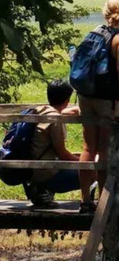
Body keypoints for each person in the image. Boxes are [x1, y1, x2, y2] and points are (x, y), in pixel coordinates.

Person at [78, 0, 119, 214]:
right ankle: (104, 199)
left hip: (85, 95)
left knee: (87, 147)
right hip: (106, 99)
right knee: (103, 149)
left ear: (105, 13)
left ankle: (84, 200)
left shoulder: (94, 32)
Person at [23, 80, 80, 209]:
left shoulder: (41, 110)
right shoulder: (55, 121)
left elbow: (61, 112)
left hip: (31, 169)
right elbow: (63, 155)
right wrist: (85, 161)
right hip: (45, 172)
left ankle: (42, 190)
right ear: (67, 99)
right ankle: (44, 189)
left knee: (81, 157)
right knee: (91, 170)